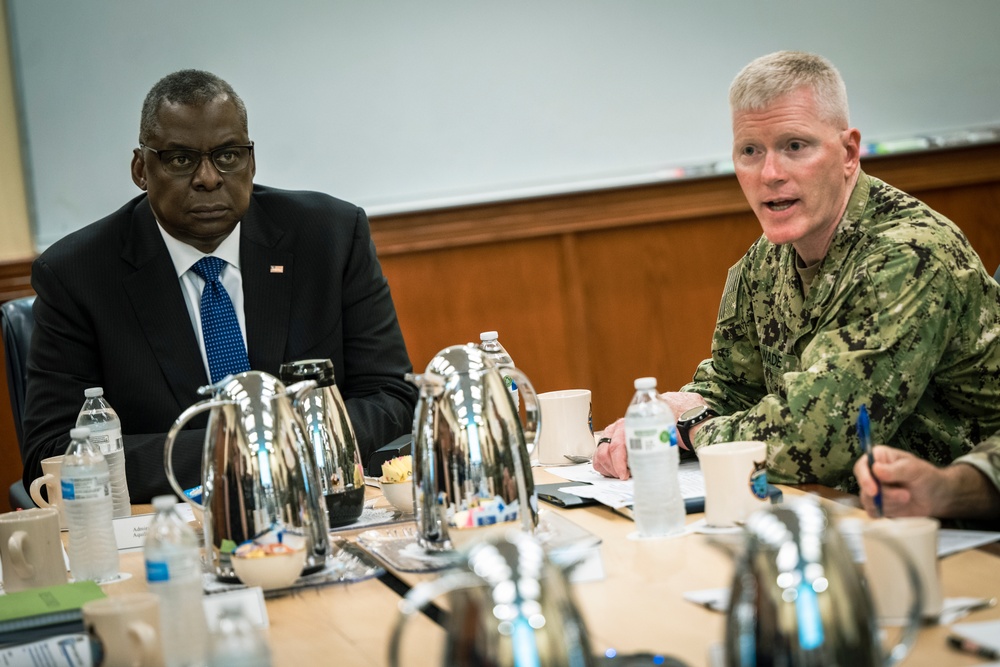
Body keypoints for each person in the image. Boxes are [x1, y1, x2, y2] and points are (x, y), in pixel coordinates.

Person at [594, 51, 1000, 509]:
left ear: (848, 153)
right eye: (750, 151)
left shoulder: (908, 254)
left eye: (795, 146)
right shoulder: (764, 261)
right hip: (843, 515)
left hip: (962, 530)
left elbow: (817, 439)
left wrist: (688, 430)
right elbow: (731, 385)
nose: (770, 174)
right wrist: (659, 413)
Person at [21, 70, 418, 503]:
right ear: (140, 169)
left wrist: (281, 449)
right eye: (180, 159)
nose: (208, 178)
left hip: (319, 503)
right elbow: (54, 453)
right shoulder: (78, 275)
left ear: (251, 160)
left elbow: (392, 395)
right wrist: (247, 450)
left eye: (228, 155)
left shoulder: (330, 237)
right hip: (173, 523)